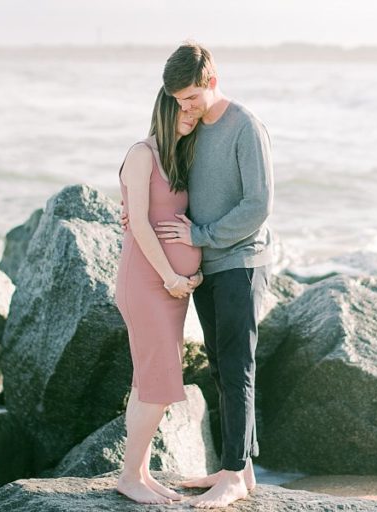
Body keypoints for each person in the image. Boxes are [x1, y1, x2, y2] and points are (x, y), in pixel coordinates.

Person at [124, 41, 274, 509]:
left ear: (211, 79)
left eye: (190, 98)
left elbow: (258, 205)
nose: (183, 108)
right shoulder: (190, 131)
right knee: (221, 366)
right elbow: (156, 188)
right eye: (177, 102)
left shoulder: (244, 126)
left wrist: (202, 235)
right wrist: (132, 213)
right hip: (208, 271)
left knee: (237, 367)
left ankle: (232, 475)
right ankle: (240, 468)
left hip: (240, 264)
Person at [114, 86, 204, 505]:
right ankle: (129, 477)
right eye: (182, 107)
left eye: (194, 109)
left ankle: (141, 473)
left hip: (172, 287)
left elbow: (177, 217)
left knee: (145, 382)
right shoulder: (141, 154)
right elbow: (139, 226)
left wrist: (193, 264)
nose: (190, 113)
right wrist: (170, 273)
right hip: (147, 282)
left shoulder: (179, 158)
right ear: (165, 107)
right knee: (159, 383)